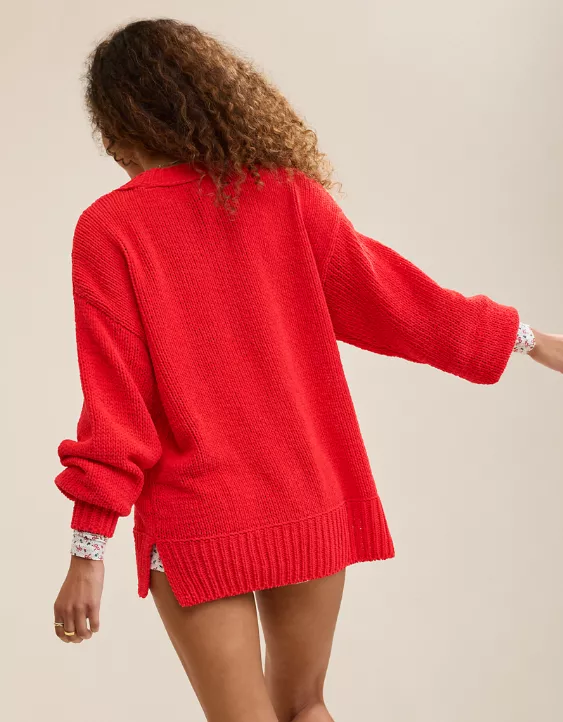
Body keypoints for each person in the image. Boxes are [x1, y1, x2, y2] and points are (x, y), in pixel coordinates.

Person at [52, 17, 562, 722]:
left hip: (200, 515)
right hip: (305, 492)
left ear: (121, 123)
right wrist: (528, 338)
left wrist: (88, 548)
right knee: (305, 707)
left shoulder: (110, 228)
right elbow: (397, 301)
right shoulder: (285, 196)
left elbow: (116, 404)